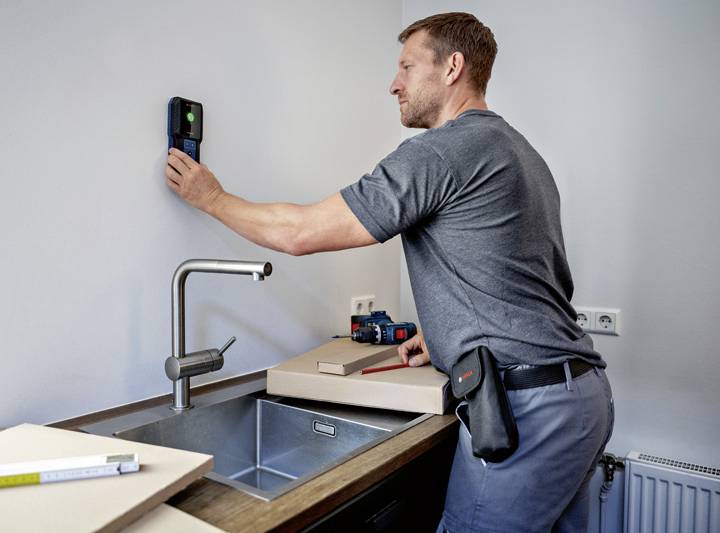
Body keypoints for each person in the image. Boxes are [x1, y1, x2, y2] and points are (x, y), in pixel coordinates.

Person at [165, 11, 614, 533]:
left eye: (406, 66)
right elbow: (528, 283)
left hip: (525, 410)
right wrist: (445, 333)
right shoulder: (519, 153)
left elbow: (301, 233)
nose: (393, 83)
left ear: (452, 67)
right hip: (579, 399)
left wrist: (213, 198)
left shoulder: (439, 154)